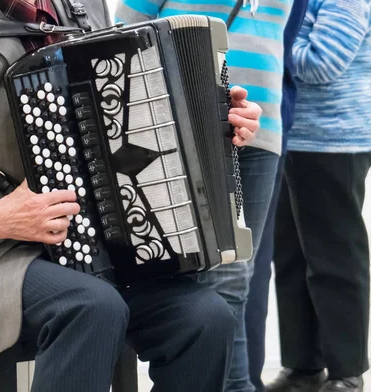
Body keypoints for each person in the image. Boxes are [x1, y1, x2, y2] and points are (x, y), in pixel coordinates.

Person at [0, 0, 262, 390]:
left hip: (102, 253)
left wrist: (216, 123)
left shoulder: (83, 8)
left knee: (205, 316)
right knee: (91, 306)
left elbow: (122, 121)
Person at [116, 1, 290, 391]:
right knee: (204, 276)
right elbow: (123, 36)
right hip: (180, 126)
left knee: (236, 274)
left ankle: (236, 383)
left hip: (262, 129)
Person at [266, 0, 371, 391]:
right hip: (290, 137)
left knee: (336, 259)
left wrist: (270, 44)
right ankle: (303, 366)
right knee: (290, 256)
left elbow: (321, 63)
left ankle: (347, 372)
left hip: (334, 142)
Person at [244, 1, 308, 390]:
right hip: (190, 124)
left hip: (266, 128)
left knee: (249, 268)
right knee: (244, 268)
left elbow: (287, 39)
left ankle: (244, 380)